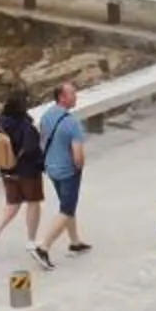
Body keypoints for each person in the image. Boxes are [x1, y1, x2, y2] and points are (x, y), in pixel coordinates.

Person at [0, 89, 46, 259]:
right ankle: (31, 241)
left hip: (7, 170)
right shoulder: (25, 126)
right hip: (27, 171)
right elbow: (31, 148)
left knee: (12, 204)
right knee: (33, 203)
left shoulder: (1, 124)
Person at [38, 81, 89, 261]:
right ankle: (44, 248)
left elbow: (42, 141)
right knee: (66, 209)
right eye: (72, 94)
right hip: (68, 172)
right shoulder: (72, 124)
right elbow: (77, 155)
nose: (76, 97)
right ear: (62, 97)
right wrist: (80, 166)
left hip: (51, 169)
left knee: (67, 204)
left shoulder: (46, 116)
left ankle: (75, 242)